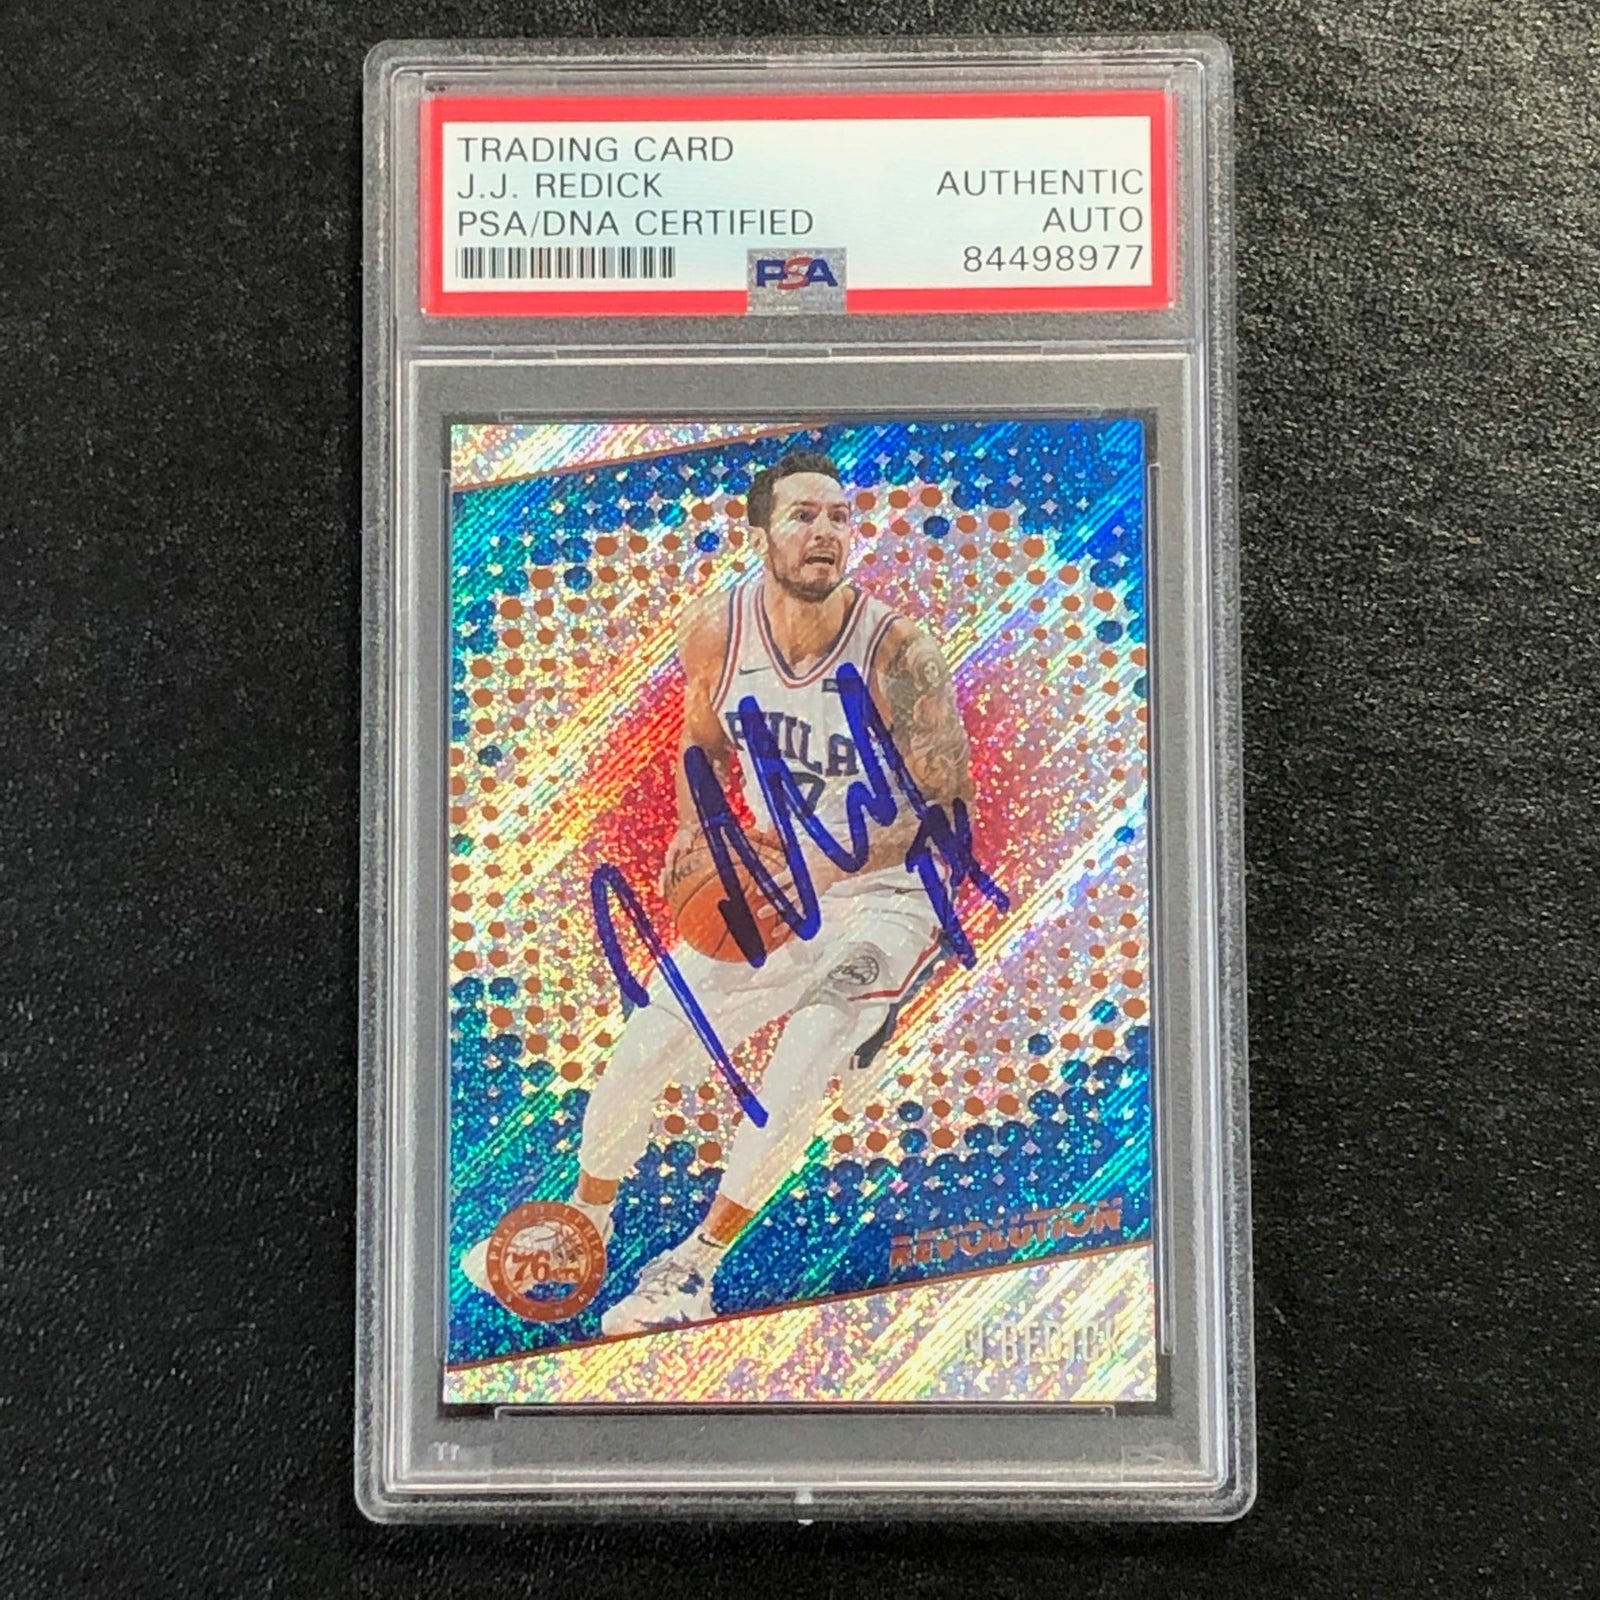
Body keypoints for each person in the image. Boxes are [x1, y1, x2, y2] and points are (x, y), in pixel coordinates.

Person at [463, 450, 976, 1333]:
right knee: (642, 1048)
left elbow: (950, 810)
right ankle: (586, 1218)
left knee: (804, 1049)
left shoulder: (900, 651)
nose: (825, 532)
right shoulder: (716, 630)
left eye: (839, 517)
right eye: (803, 515)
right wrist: (695, 833)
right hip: (770, 884)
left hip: (888, 893)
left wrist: (822, 862)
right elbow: (700, 742)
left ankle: (692, 1269)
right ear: (761, 531)